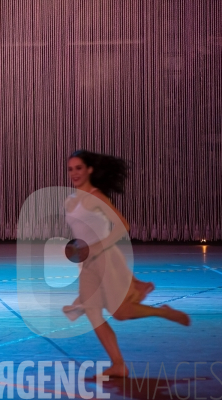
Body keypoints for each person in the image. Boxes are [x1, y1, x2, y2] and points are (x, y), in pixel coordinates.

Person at [62, 150, 190, 378]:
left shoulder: (97, 196)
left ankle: (163, 313)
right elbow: (81, 235)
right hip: (88, 265)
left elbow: (123, 226)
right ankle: (118, 364)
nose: (74, 173)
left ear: (89, 169)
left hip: (107, 260)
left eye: (79, 168)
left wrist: (97, 247)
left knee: (120, 313)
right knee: (92, 312)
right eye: (70, 168)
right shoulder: (69, 201)